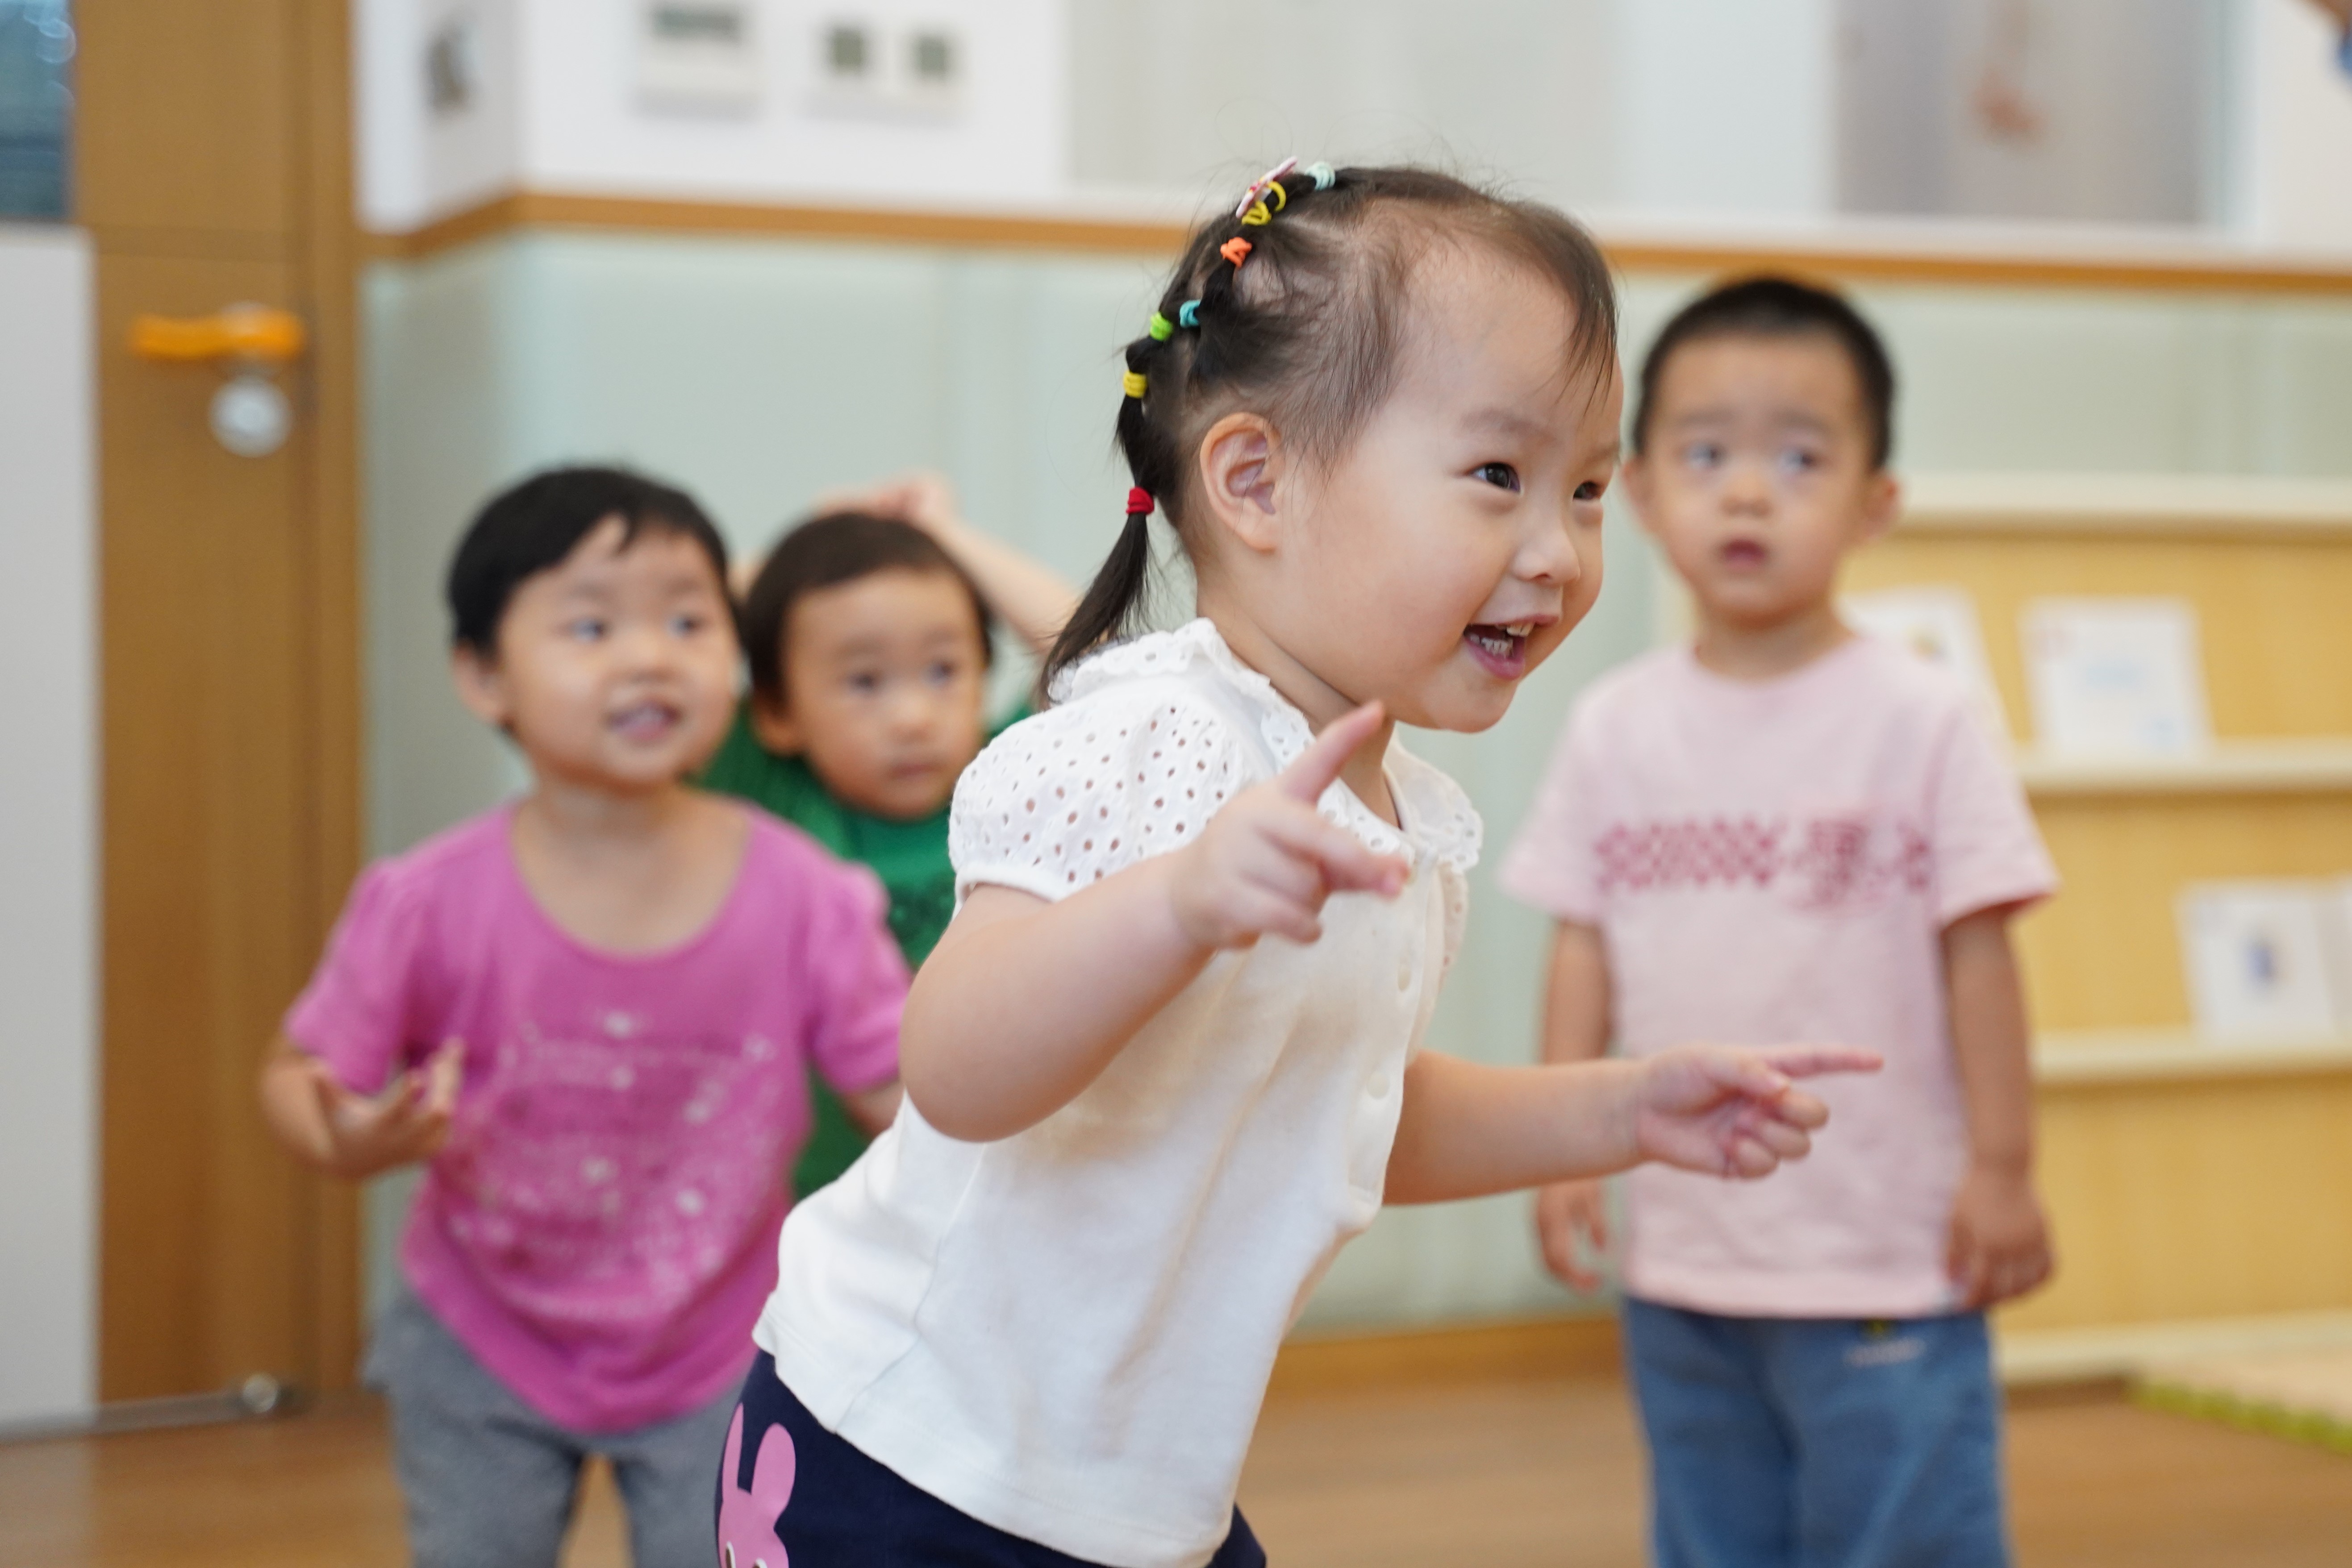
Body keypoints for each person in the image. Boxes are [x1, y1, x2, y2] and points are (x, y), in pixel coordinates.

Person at [718, 162, 1881, 1568]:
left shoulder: (1403, 813)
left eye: (1583, 489)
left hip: (1126, 1489)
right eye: (1499, 476)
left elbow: (1340, 1109)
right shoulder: (1145, 740)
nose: (1557, 552)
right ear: (1256, 480)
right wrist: (1179, 903)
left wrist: (1624, 1110)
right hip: (907, 1455)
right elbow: (953, 1071)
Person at [258, 467, 911, 1568]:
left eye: (690, 619)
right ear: (482, 673)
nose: (651, 654)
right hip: (481, 1338)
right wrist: (338, 1129)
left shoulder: (807, 891)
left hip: (725, 1336)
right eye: (592, 623)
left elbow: (906, 1089)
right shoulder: (427, 901)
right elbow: (298, 1067)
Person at [1503, 276, 2059, 1568]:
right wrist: (1560, 1142)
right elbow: (1578, 939)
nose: (1745, 492)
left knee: (1903, 1538)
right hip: (1687, 1257)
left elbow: (1980, 952)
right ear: (1638, 493)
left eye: (1797, 458)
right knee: (1709, 1535)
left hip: (1884, 1251)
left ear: (1875, 501)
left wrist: (2003, 1166)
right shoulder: (1612, 725)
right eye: (1705, 454)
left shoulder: (1918, 716)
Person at [700, 475, 1076, 1200]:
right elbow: (674, 632)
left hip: (993, 1173)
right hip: (809, 1189)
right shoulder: (767, 783)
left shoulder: (1007, 776)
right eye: (865, 681)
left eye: (942, 671)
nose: (911, 716)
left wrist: (945, 540)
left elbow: (1089, 646)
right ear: (778, 709)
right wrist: (798, 549)